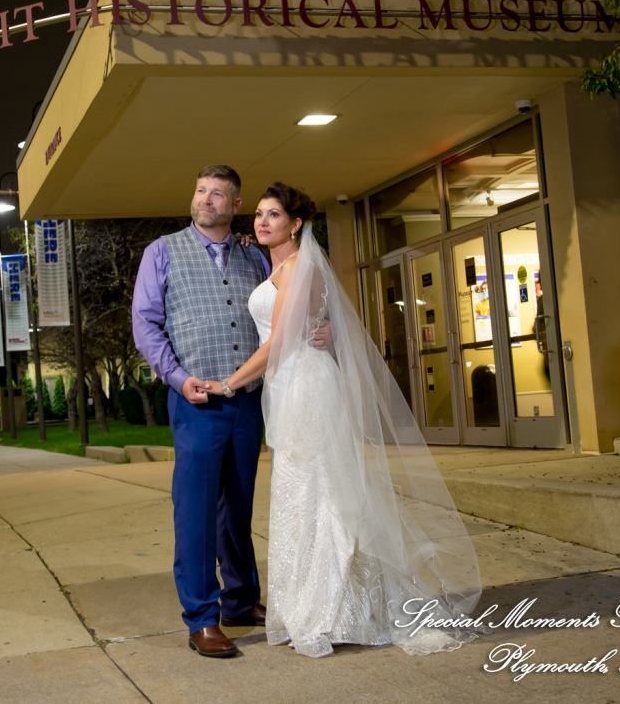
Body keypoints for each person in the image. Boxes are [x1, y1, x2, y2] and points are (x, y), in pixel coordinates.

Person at [201, 182, 482, 658]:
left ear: (297, 225)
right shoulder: (280, 265)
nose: (263, 221)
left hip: (307, 387)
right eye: (260, 214)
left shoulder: (301, 268)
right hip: (286, 388)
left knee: (323, 492)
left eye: (274, 215)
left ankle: (333, 610)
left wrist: (228, 384)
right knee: (300, 495)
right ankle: (308, 607)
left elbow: (280, 341)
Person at [131, 165, 270, 659]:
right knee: (195, 512)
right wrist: (174, 376)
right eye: (200, 190)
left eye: (218, 194)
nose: (206, 199)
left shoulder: (256, 256)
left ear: (236, 206)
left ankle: (240, 598)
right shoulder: (162, 251)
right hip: (196, 403)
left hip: (247, 402)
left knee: (238, 507)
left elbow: (281, 312)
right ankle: (202, 617)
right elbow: (146, 324)